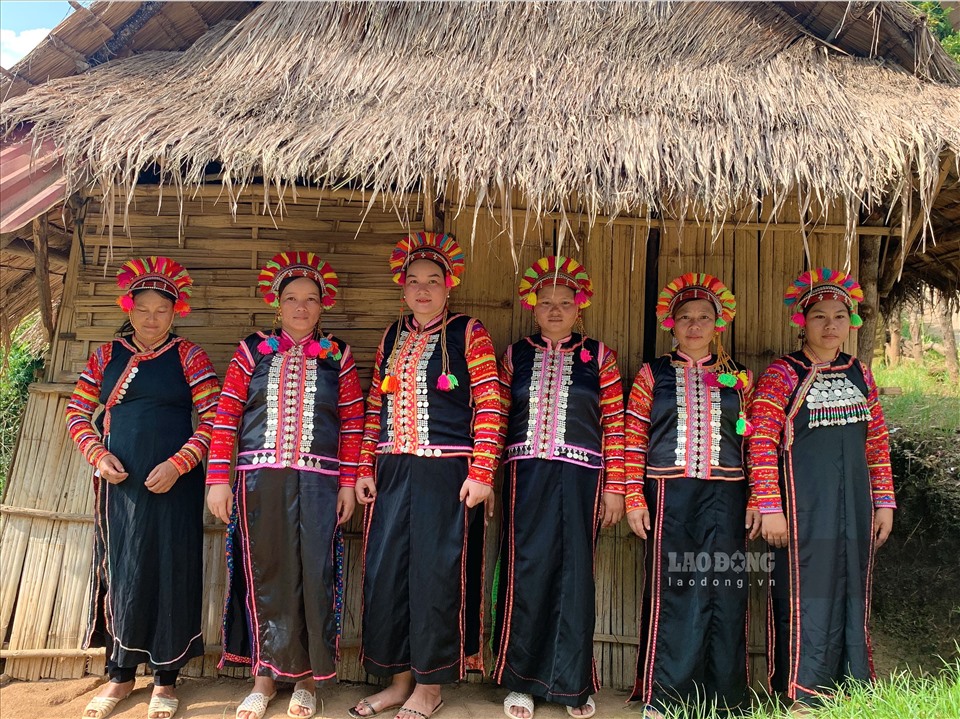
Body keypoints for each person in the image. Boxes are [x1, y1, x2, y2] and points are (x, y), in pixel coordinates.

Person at [349, 232, 505, 719]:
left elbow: (490, 403)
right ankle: (399, 681)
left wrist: (482, 470)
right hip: (393, 470)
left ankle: (431, 686)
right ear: (402, 289)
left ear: (448, 287)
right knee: (388, 571)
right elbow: (376, 403)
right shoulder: (393, 336)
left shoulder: (468, 332)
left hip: (447, 474)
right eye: (413, 282)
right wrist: (363, 467)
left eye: (432, 281)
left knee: (436, 577)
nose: (422, 290)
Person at [205, 252, 364, 719]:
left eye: (311, 300)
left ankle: (308, 682)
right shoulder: (251, 350)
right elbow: (227, 415)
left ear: (322, 307)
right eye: (292, 299)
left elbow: (353, 423)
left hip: (319, 482)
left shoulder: (339, 355)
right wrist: (218, 480)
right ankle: (263, 678)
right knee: (267, 574)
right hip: (259, 479)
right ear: (277, 304)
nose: (301, 307)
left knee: (314, 575)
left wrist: (348, 484)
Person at [66, 256, 220, 719]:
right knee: (124, 570)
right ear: (128, 308)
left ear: (176, 313)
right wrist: (99, 455)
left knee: (172, 569)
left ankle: (166, 679)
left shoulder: (190, 356)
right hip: (122, 486)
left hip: (176, 486)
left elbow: (214, 419)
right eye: (143, 309)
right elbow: (77, 412)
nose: (152, 318)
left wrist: (179, 464)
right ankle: (119, 676)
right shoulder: (105, 356)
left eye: (162, 310)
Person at [748, 268, 895, 714]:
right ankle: (802, 692)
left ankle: (852, 686)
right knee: (803, 592)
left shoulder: (861, 374)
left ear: (851, 322)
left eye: (839, 316)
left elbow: (877, 443)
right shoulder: (781, 374)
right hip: (803, 508)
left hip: (854, 506)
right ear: (802, 321)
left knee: (852, 587)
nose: (830, 325)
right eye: (819, 317)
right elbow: (760, 441)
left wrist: (884, 502)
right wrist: (770, 506)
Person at [492, 256, 625, 719]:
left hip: (583, 476)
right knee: (526, 571)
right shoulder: (515, 355)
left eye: (564, 303)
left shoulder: (601, 357)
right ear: (533, 307)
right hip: (526, 476)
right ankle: (521, 681)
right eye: (546, 303)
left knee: (575, 576)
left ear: (579, 308)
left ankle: (571, 683)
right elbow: (494, 417)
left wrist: (616, 488)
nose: (554, 310)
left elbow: (615, 426)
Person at [625, 273, 753, 717]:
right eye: (685, 318)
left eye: (704, 317)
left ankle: (724, 699)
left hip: (728, 498)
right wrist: (633, 498)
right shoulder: (652, 374)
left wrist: (759, 501)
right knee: (673, 590)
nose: (694, 325)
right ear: (671, 324)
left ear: (719, 323)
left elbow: (755, 444)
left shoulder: (739, 378)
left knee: (726, 590)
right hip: (668, 495)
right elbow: (633, 437)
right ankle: (666, 697)